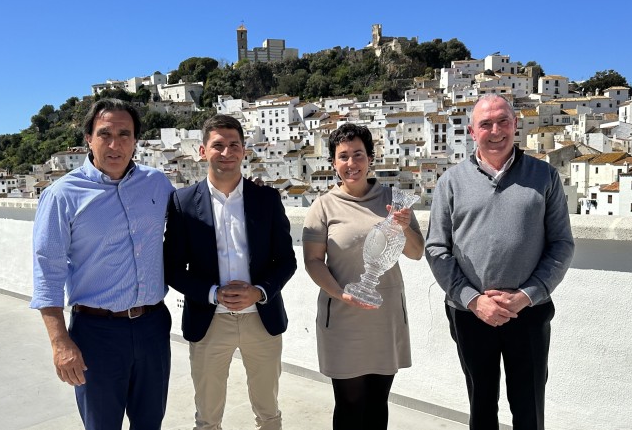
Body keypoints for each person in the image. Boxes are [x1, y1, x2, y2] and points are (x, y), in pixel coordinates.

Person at [425, 94, 575, 430]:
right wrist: (474, 300)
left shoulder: (545, 176)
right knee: (481, 407)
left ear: (515, 124)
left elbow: (562, 244)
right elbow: (436, 249)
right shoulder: (450, 182)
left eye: (503, 120)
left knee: (529, 408)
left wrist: (526, 296)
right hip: (470, 314)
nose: (496, 130)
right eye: (486, 123)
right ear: (471, 130)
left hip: (529, 312)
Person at [30, 98, 175, 430]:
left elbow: (196, 215)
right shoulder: (61, 195)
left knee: (150, 423)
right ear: (88, 138)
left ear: (136, 140)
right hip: (96, 333)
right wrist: (59, 342)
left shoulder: (157, 184)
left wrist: (242, 189)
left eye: (124, 134)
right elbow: (47, 271)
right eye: (105, 133)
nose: (115, 144)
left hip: (153, 326)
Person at [163, 114, 296, 430]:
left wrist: (259, 291)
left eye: (233, 145)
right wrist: (212, 293)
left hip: (261, 320)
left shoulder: (266, 198)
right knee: (207, 417)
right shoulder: (181, 202)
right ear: (202, 150)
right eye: (217, 145)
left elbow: (287, 260)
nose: (226, 152)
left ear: (244, 150)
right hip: (209, 322)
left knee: (269, 414)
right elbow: (171, 268)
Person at [302, 123, 424, 430]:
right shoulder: (322, 206)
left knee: (377, 403)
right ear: (333, 162)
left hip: (385, 318)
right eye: (343, 156)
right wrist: (340, 294)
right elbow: (314, 262)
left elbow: (416, 252)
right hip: (342, 319)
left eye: (358, 154)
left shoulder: (394, 199)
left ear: (370, 158)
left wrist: (405, 225)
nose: (351, 163)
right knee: (349, 404)